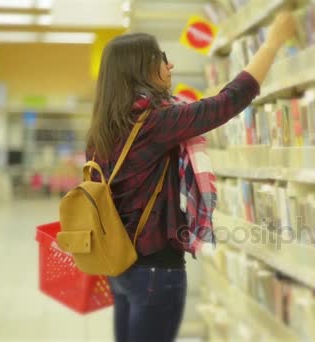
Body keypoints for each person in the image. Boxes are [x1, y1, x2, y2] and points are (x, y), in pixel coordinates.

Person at [84, 9, 297, 342]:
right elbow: (227, 103)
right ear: (140, 69)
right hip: (154, 270)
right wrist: (272, 43)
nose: (170, 66)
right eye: (162, 58)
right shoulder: (154, 123)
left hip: (118, 266)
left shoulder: (103, 128)